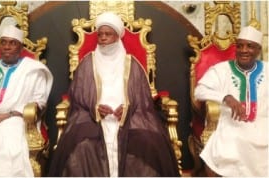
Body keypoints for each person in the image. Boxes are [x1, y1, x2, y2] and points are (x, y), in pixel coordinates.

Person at [48, 12, 180, 177]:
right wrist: (95, 108)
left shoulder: (132, 63)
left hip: (130, 117)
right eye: (100, 34)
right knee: (80, 144)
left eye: (108, 34)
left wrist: (127, 109)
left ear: (117, 36)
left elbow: (143, 99)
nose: (103, 38)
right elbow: (78, 95)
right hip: (91, 117)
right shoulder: (87, 62)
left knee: (150, 143)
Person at [0, 25, 53, 176]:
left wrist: (8, 114)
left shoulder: (33, 70)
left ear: (20, 48)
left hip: (12, 118)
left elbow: (39, 101)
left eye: (12, 43)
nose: (6, 47)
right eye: (3, 42)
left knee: (0, 144)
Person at [195, 25, 268, 176]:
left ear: (259, 50)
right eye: (240, 46)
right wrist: (225, 98)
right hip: (232, 126)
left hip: (264, 125)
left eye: (250, 46)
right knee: (221, 149)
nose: (244, 50)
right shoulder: (221, 70)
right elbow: (199, 91)